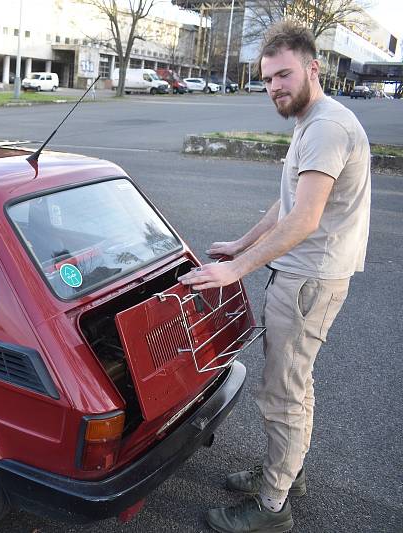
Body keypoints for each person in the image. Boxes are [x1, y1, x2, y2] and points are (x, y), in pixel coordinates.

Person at [178, 20, 371, 533]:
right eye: (266, 79)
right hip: (304, 275)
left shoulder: (328, 126)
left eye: (283, 75)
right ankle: (288, 472)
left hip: (309, 281)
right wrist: (241, 242)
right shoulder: (311, 122)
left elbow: (305, 219)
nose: (274, 88)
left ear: (313, 68)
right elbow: (288, 201)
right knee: (295, 384)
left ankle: (271, 507)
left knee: (282, 392)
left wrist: (235, 269)